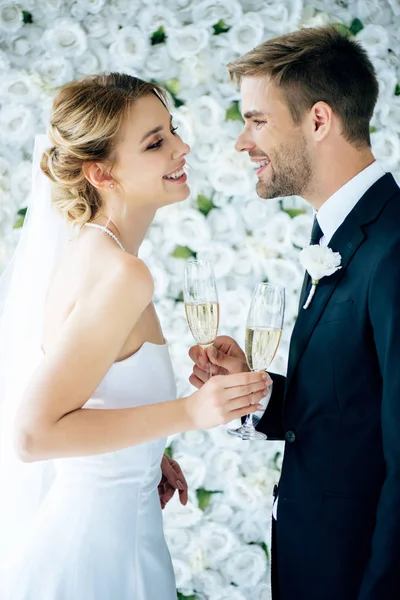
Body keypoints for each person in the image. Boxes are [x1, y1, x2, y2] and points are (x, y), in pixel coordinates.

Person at [0, 73, 269, 600]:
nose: (181, 147)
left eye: (172, 131)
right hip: (94, 559)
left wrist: (144, 456)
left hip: (117, 533)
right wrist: (189, 414)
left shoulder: (91, 252)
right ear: (100, 173)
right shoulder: (123, 273)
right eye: (156, 142)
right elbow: (33, 435)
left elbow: (88, 397)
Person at [189, 26, 400, 600]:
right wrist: (254, 393)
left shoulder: (394, 248)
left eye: (257, 120)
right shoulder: (336, 232)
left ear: (318, 121)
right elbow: (354, 408)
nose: (241, 142)